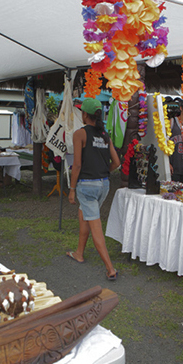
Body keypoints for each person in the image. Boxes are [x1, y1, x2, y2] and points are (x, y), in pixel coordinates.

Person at [68, 97, 121, 281]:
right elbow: (117, 162)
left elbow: (76, 165)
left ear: (84, 114)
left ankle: (110, 268)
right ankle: (79, 253)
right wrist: (103, 172)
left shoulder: (79, 134)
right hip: (103, 185)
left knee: (95, 225)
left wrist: (72, 189)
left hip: (86, 186)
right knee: (85, 215)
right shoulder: (105, 135)